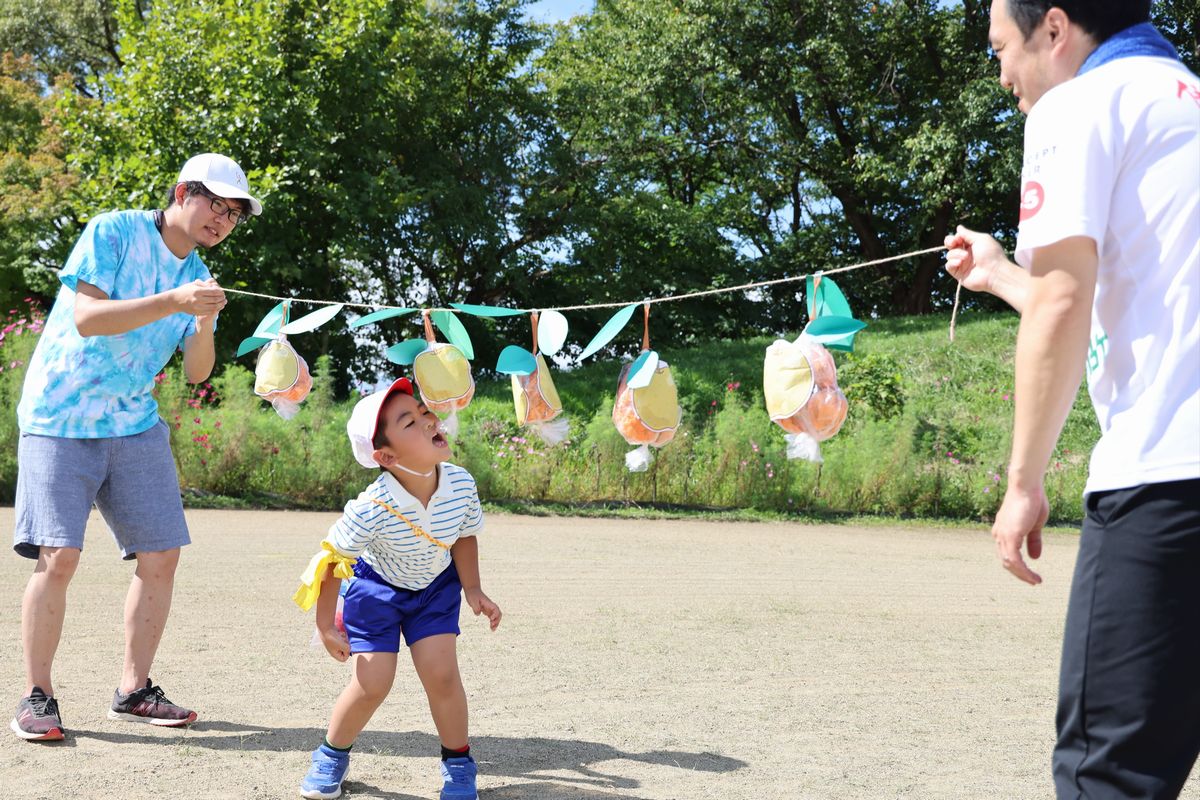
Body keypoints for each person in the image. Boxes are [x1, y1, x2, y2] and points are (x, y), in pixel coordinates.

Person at [944, 1, 1199, 796]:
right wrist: (997, 275)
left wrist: (1023, 483)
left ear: (1055, 31)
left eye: (1001, 48)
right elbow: (1113, 298)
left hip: (1167, 480)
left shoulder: (1080, 103)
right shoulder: (1182, 97)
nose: (1003, 75)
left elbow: (1062, 305)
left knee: (1110, 774)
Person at [10, 153, 263, 741]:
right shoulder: (114, 230)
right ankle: (38, 696)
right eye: (216, 205)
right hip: (59, 414)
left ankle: (133, 689)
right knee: (60, 557)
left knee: (161, 555)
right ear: (182, 193)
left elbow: (198, 374)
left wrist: (202, 322)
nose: (223, 220)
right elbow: (88, 318)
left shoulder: (197, 275)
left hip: (134, 422)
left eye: (234, 214)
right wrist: (176, 303)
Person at [294, 377, 501, 800]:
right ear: (386, 456)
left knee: (442, 676)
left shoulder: (461, 484)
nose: (427, 421)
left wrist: (473, 588)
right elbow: (332, 560)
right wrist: (325, 628)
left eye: (424, 412)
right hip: (375, 593)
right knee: (373, 682)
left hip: (435, 590)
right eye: (409, 421)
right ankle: (331, 754)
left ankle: (459, 764)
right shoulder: (371, 506)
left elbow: (463, 535)